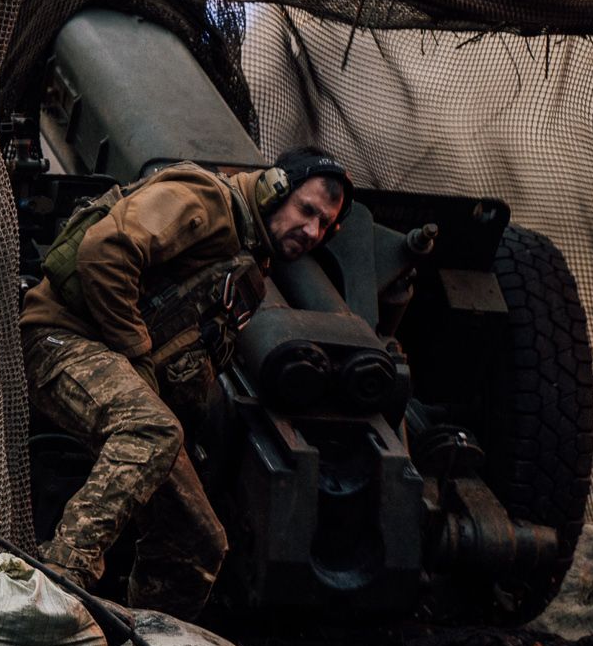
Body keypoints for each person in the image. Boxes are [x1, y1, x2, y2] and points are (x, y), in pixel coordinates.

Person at [19, 146, 351, 614]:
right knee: (151, 430)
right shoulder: (207, 200)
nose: (312, 231)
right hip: (59, 338)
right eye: (307, 210)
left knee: (197, 542)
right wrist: (138, 358)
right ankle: (56, 584)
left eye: (325, 225)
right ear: (276, 187)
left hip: (115, 368)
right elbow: (105, 251)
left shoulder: (250, 256)